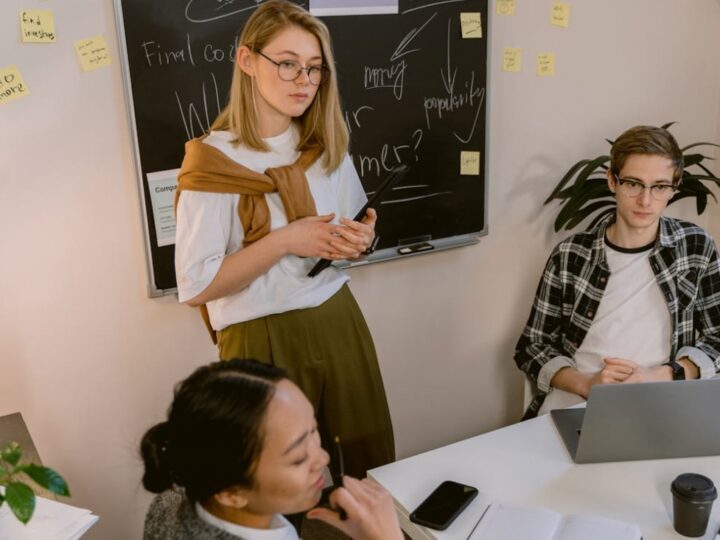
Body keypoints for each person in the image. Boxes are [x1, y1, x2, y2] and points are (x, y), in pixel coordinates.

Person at [173, 0, 394, 477]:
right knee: (275, 478)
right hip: (259, 335)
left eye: (314, 68)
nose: (304, 81)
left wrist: (360, 240)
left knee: (364, 467)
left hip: (337, 319)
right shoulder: (213, 164)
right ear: (248, 61)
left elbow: (352, 230)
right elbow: (195, 286)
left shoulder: (324, 143)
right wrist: (285, 240)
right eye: (288, 63)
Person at [515, 125, 720, 418]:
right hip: (575, 404)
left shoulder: (696, 247)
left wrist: (663, 375)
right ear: (612, 181)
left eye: (660, 186)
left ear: (674, 187)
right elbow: (532, 346)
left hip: (662, 404)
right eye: (633, 184)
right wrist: (586, 384)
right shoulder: (571, 254)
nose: (646, 201)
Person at [141, 358, 403, 540]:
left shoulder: (179, 489)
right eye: (299, 458)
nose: (323, 458)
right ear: (232, 493)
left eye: (314, 430)